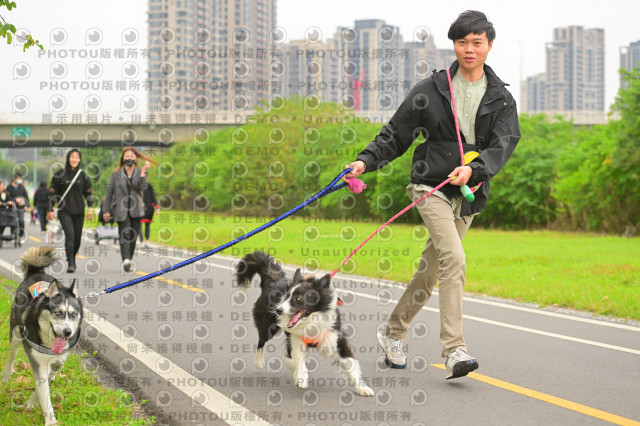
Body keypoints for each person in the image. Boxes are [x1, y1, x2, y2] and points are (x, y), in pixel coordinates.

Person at [343, 10, 520, 379]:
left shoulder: (502, 99)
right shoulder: (431, 90)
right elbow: (395, 134)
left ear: (489, 45)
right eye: (462, 42)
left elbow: (503, 144)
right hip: (430, 186)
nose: (469, 49)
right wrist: (364, 161)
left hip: (469, 192)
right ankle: (455, 349)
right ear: (453, 45)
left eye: (476, 42)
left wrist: (475, 170)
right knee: (454, 258)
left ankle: (392, 333)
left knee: (431, 270)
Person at [102, 147, 155, 272]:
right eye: (127, 156)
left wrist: (143, 173)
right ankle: (126, 260)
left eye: (132, 156)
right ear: (123, 158)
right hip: (121, 209)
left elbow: (142, 188)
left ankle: (129, 259)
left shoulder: (140, 172)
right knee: (125, 234)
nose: (129, 158)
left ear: (135, 158)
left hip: (136, 209)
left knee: (133, 236)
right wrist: (106, 210)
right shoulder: (116, 174)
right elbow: (109, 193)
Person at [48, 149, 94, 273]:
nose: (74, 159)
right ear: (68, 158)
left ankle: (71, 256)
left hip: (79, 211)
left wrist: (90, 208)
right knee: (70, 235)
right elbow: (53, 193)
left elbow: (88, 193)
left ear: (79, 159)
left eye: (77, 157)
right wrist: (50, 209)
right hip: (64, 210)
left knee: (77, 239)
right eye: (72, 157)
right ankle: (71, 262)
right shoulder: (59, 174)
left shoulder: (83, 175)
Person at [6, 172, 30, 240]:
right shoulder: (9, 187)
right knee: (13, 221)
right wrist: (14, 200)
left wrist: (28, 205)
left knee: (21, 221)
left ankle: (21, 234)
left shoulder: (21, 187)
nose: (20, 180)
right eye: (19, 178)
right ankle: (13, 235)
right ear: (15, 178)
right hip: (12, 207)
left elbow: (26, 196)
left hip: (21, 207)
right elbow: (7, 197)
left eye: (21, 179)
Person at [139, 182, 158, 248]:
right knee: (140, 225)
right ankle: (142, 241)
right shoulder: (137, 185)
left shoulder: (149, 185)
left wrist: (157, 207)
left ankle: (146, 241)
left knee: (147, 225)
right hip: (140, 208)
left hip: (149, 208)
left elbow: (153, 196)